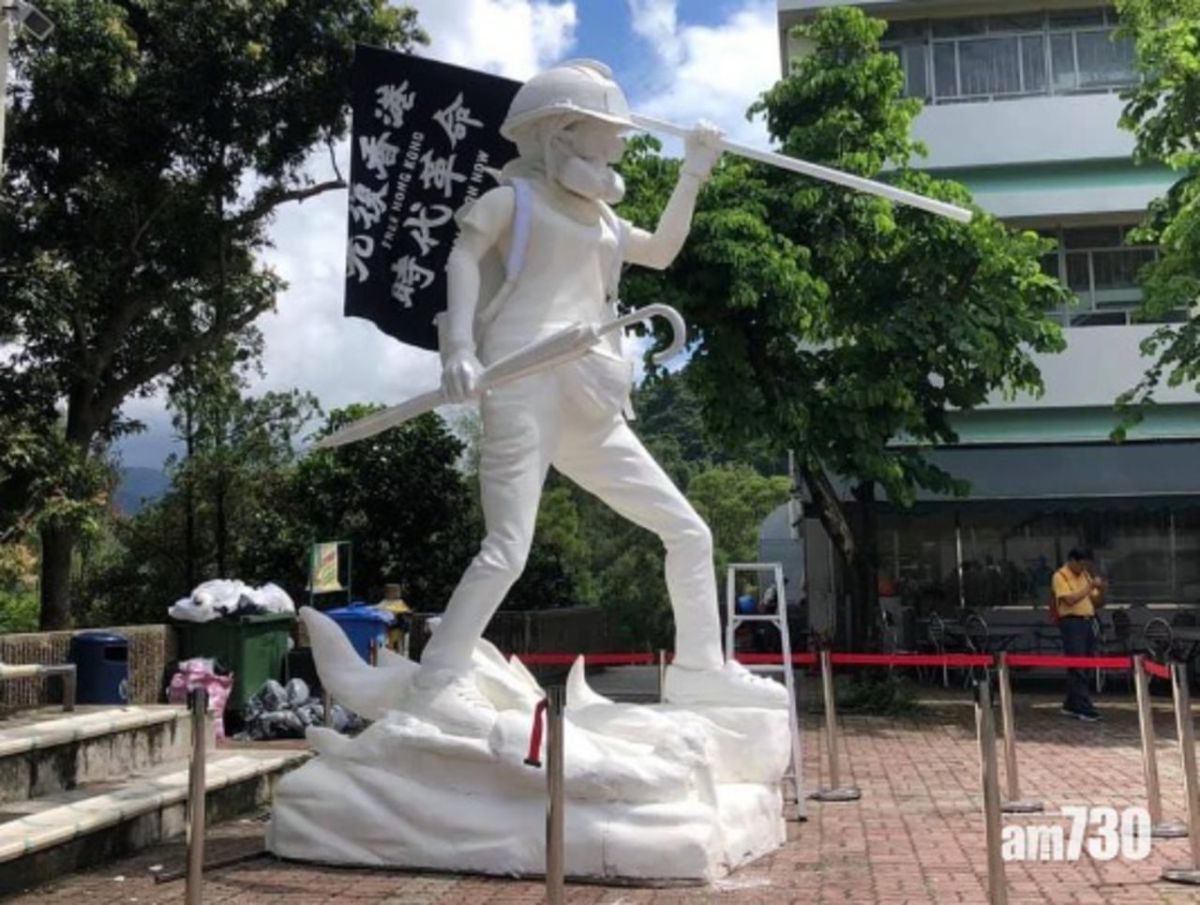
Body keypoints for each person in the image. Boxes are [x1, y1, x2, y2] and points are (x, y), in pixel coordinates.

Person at [404, 60, 788, 735]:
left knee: (688, 530)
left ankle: (700, 667)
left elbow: (664, 250)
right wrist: (460, 348)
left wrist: (694, 169)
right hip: (522, 379)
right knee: (507, 547)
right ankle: (437, 676)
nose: (615, 147)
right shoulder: (512, 200)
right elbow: (462, 259)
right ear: (558, 134)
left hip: (591, 390)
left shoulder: (608, 223)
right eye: (603, 133)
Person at [1053, 547, 1105, 721]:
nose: (1083, 568)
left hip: (1088, 621)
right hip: (1071, 623)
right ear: (1072, 561)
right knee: (1078, 663)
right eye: (1081, 564)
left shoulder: (1085, 575)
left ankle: (1071, 703)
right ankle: (1083, 707)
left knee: (1087, 662)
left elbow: (1096, 601)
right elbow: (1069, 600)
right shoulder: (1060, 576)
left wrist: (1100, 589)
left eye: (1086, 565)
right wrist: (1090, 586)